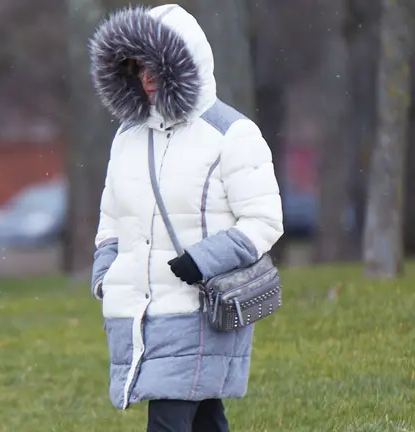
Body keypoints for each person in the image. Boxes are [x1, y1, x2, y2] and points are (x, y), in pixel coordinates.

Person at [88, 4, 283, 432]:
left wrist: (204, 259)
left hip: (200, 309)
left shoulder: (232, 134)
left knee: (170, 419)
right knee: (204, 420)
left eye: (157, 65)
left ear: (184, 63)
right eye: (138, 66)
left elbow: (264, 220)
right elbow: (111, 218)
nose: (147, 77)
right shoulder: (127, 136)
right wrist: (106, 273)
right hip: (140, 310)